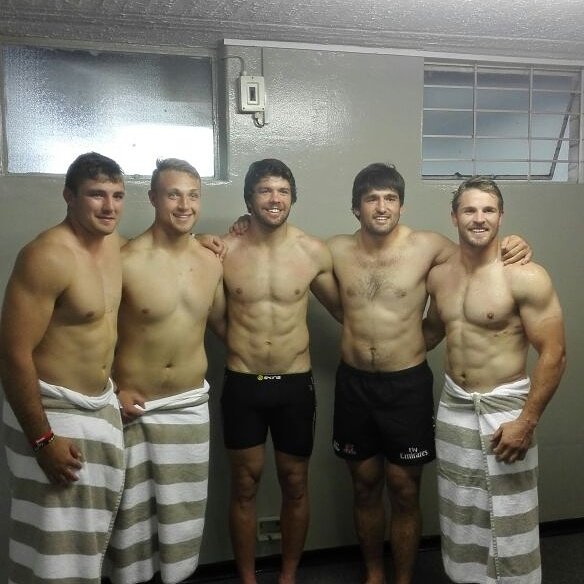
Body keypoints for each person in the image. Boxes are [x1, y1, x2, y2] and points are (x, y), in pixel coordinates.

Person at [326, 163, 531, 584]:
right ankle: (374, 574)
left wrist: (515, 244)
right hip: (354, 385)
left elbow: (481, 249)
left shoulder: (429, 246)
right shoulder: (334, 250)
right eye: (371, 199)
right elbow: (283, 247)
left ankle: (403, 580)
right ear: (356, 207)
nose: (381, 207)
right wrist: (239, 228)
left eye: (390, 198)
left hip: (406, 386)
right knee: (364, 485)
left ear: (401, 205)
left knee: (404, 488)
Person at [423, 176, 566, 584]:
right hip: (454, 407)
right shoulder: (439, 277)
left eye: (488, 210)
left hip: (506, 411)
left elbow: (554, 353)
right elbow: (429, 333)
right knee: (460, 506)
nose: (479, 218)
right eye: (469, 210)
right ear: (454, 217)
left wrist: (527, 421)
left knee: (511, 515)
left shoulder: (525, 276)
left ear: (501, 216)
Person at [0, 152, 126, 584]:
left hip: (98, 406)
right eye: (96, 195)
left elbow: (161, 245)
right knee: (48, 545)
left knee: (86, 540)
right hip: (50, 411)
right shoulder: (46, 256)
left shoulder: (113, 245)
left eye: (117, 195)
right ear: (69, 196)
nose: (109, 206)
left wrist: (209, 239)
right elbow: (13, 354)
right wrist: (43, 440)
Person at [104, 158, 225, 584]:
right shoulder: (125, 259)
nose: (184, 205)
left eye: (193, 195)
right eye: (173, 194)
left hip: (189, 405)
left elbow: (227, 326)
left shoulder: (212, 260)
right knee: (131, 523)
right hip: (135, 407)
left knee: (182, 518)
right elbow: (97, 334)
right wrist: (112, 389)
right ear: (153, 198)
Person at [221, 159, 342, 584]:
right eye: (265, 190)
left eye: (283, 191)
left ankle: (288, 576)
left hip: (293, 384)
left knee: (295, 482)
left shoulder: (312, 251)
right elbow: (208, 312)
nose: (275, 199)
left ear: (293, 198)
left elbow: (346, 309)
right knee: (244, 484)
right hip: (244, 382)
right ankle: (247, 579)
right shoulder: (224, 250)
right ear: (249, 199)